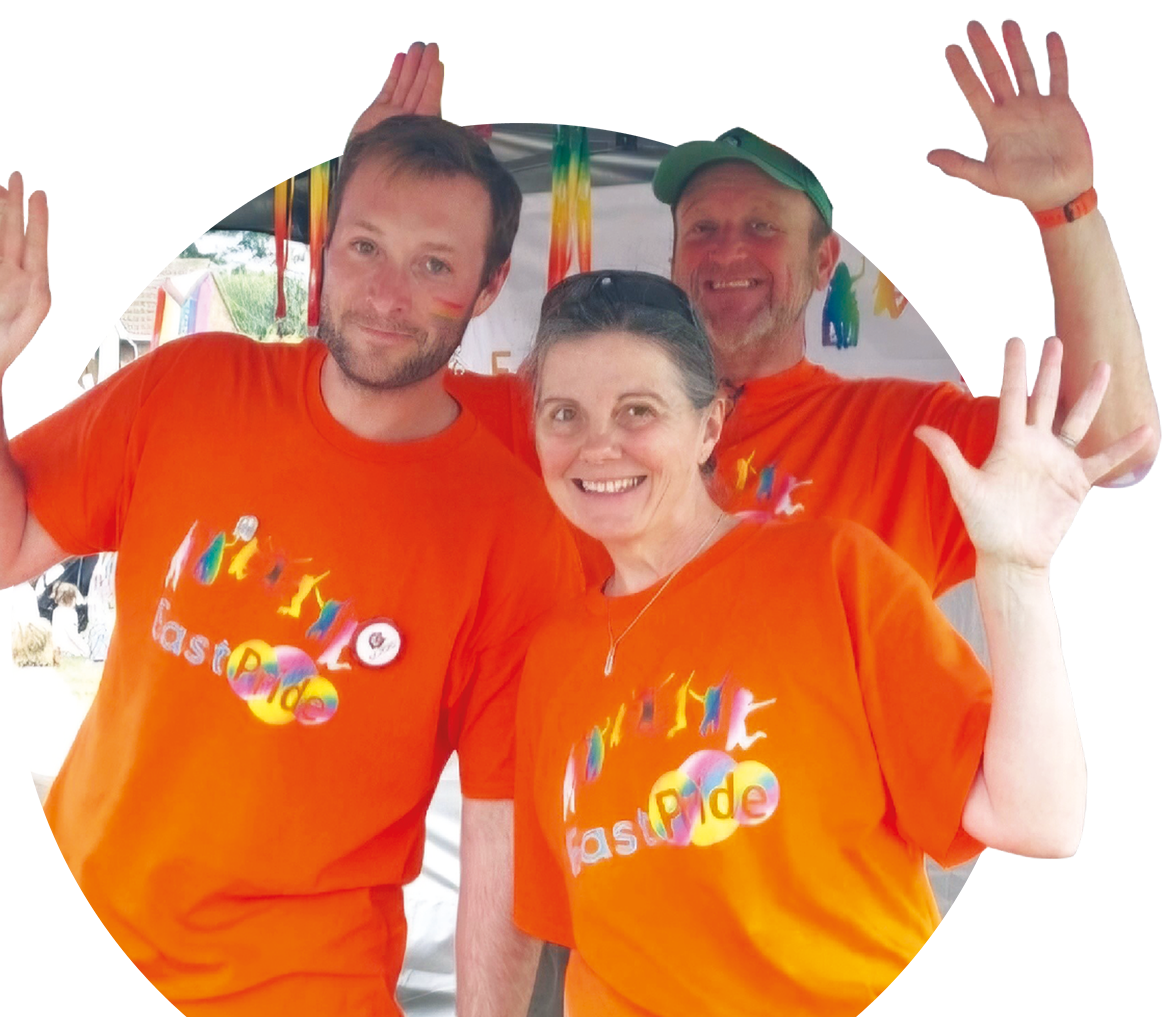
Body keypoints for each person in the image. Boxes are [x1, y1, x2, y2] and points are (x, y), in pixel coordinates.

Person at [0, 44, 578, 1017]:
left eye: (433, 265)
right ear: (325, 245)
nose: (384, 294)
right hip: (71, 937)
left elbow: (506, 853)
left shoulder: (513, 528)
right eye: (366, 246)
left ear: (489, 286)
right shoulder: (194, 388)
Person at [510, 270, 1154, 1017]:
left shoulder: (829, 571)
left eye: (637, 412)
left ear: (708, 428)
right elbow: (588, 946)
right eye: (565, 415)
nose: (598, 447)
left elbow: (1038, 817)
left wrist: (1015, 573)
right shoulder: (552, 658)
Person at [450, 19, 1160, 593]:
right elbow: (365, 397)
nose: (728, 253)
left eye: (762, 227)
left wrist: (1068, 209)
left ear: (823, 262)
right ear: (672, 260)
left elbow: (1112, 445)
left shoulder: (905, 436)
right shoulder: (557, 421)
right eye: (703, 229)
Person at [49, 581, 88, 658]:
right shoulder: (70, 613)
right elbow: (73, 635)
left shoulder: (56, 611)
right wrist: (85, 648)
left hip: (58, 648)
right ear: (72, 599)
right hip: (68, 649)